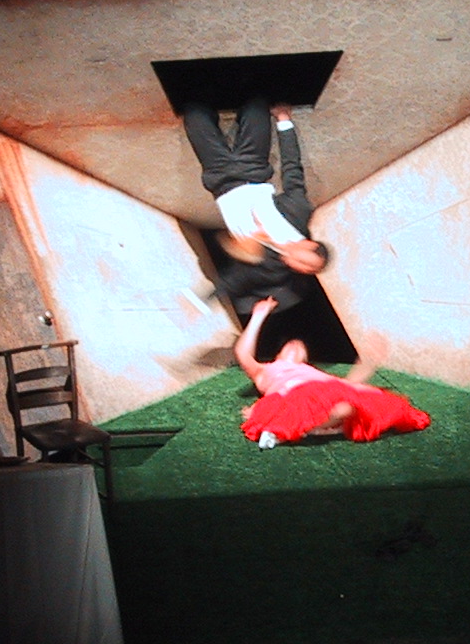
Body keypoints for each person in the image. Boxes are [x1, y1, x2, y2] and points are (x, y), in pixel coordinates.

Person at [183, 98, 329, 337]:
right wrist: (284, 121)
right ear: (310, 245)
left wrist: (204, 301)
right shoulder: (299, 213)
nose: (298, 266)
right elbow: (292, 168)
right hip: (253, 167)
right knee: (256, 107)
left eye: (303, 269)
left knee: (195, 113)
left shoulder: (271, 268)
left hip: (220, 178)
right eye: (305, 262)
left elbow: (234, 281)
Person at [234, 297, 431, 448]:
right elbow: (243, 354)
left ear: (306, 359)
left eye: (301, 347)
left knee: (347, 406)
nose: (295, 344)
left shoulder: (315, 373)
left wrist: (368, 365)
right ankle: (295, 429)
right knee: (337, 402)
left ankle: (310, 429)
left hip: (326, 395)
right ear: (278, 353)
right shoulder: (266, 370)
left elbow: (346, 387)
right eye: (290, 344)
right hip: (292, 396)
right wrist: (258, 316)